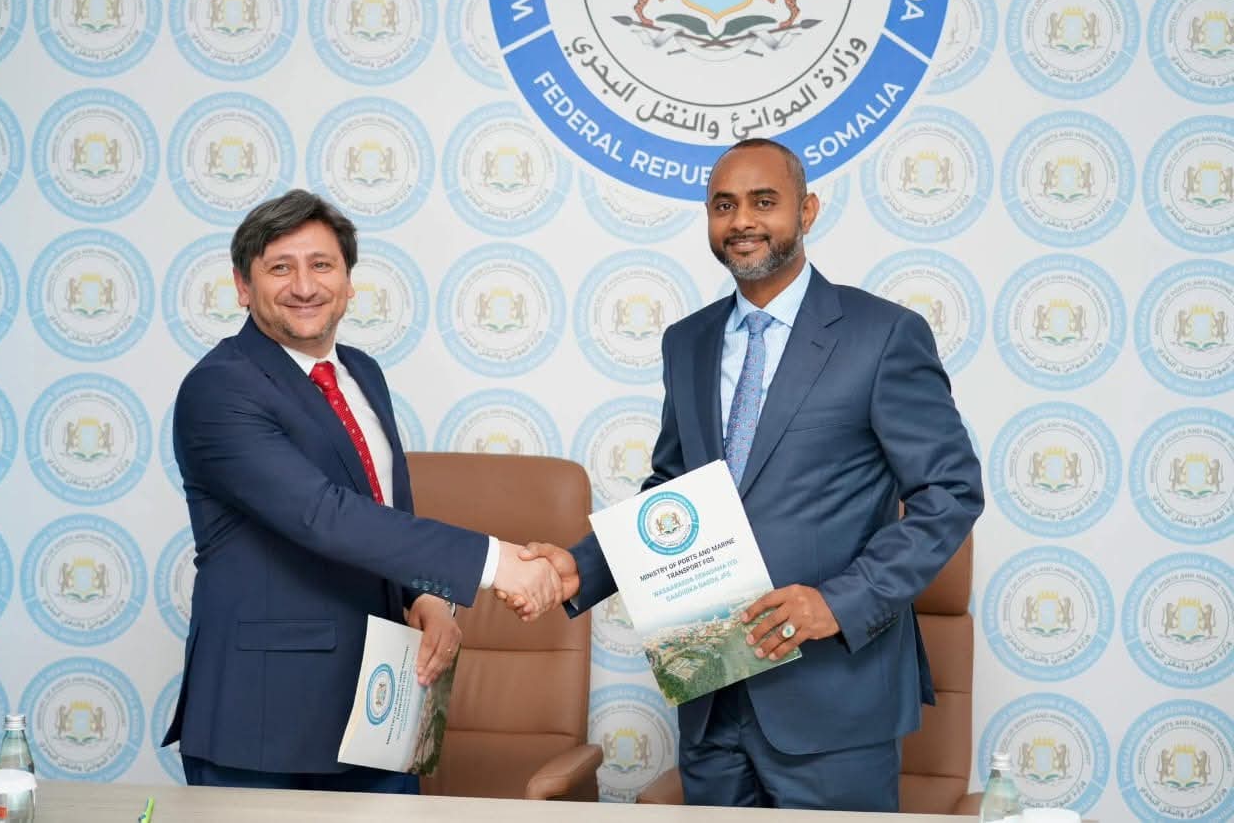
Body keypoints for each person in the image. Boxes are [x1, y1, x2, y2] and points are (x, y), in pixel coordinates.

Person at [509, 139, 984, 811]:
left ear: (807, 211)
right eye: (723, 205)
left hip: (833, 702)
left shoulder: (882, 336)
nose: (742, 221)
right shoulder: (689, 342)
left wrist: (838, 603)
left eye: (764, 201)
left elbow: (951, 492)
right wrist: (583, 567)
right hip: (711, 688)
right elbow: (673, 495)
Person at [162, 190, 559, 793]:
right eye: (280, 267)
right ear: (243, 286)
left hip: (382, 707)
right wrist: (496, 561)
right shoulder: (220, 388)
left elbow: (384, 509)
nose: (304, 286)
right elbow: (324, 515)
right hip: (266, 722)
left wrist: (428, 596)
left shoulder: (362, 372)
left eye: (321, 265)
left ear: (348, 282)